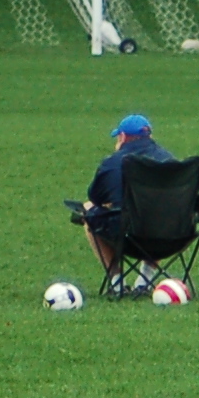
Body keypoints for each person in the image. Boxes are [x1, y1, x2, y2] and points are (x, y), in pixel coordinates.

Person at [69, 112, 175, 287]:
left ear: (123, 137)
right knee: (160, 214)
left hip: (126, 236)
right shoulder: (170, 161)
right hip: (172, 236)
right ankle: (145, 280)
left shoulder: (113, 163)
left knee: (88, 211)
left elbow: (95, 197)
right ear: (149, 135)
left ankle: (117, 282)